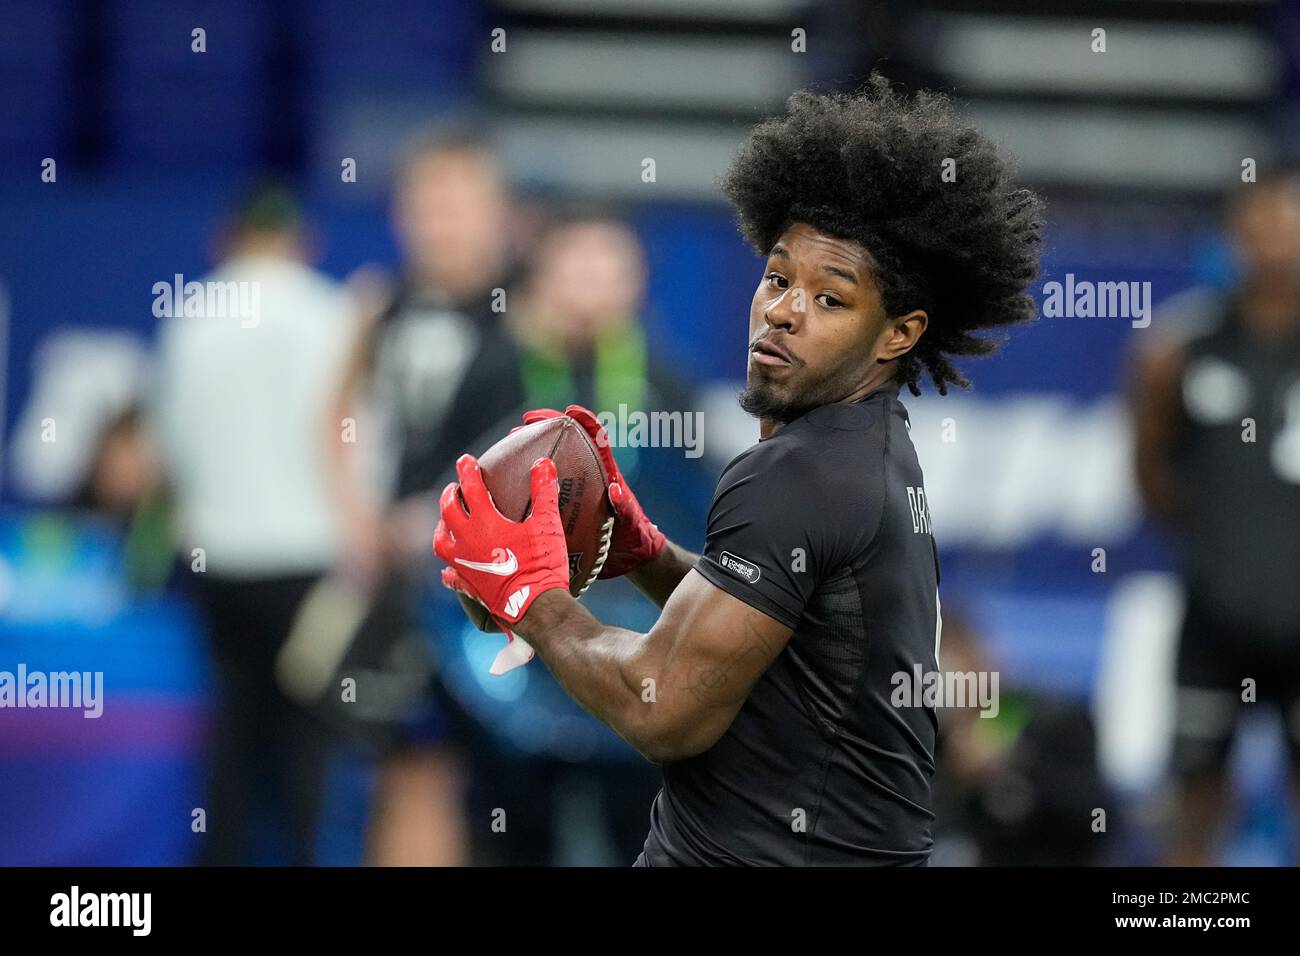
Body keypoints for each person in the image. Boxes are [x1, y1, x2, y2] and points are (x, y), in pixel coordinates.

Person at [433, 77, 1044, 865]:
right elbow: (781, 638)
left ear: (899, 333)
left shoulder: (798, 475)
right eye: (780, 277)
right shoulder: (868, 444)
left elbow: (661, 707)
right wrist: (650, 557)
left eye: (832, 299)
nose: (785, 309)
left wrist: (536, 599)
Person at [327, 127, 525, 866]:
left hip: (498, 587)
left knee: (497, 783)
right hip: (400, 580)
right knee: (407, 767)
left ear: (499, 213)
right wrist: (353, 517)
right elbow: (335, 414)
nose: (441, 223)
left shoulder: (525, 308)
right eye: (426, 205)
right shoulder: (381, 308)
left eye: (459, 205)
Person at [153, 185, 356, 864]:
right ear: (304, 242)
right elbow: (359, 443)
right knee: (309, 733)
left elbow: (170, 449)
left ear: (227, 237)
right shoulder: (332, 315)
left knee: (232, 730)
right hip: (311, 563)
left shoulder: (193, 315)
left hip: (219, 563)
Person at [1131, 170, 1300, 866]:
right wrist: (1222, 544)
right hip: (1212, 621)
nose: (1277, 242)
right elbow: (1150, 473)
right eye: (1262, 224)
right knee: (1194, 800)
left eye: (1291, 225)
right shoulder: (1178, 347)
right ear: (1234, 234)